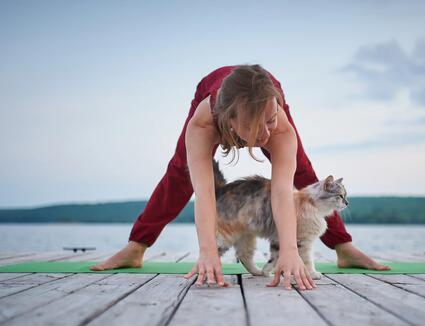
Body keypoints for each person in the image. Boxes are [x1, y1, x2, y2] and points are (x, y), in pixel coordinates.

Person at [90, 64, 390, 289]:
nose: (266, 133)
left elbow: (283, 192)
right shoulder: (203, 125)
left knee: (302, 171)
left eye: (271, 121)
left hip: (259, 91)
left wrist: (288, 250)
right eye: (257, 127)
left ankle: (344, 248)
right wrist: (208, 251)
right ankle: (137, 246)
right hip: (215, 95)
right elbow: (205, 194)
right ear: (229, 123)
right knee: (180, 173)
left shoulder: (279, 125)